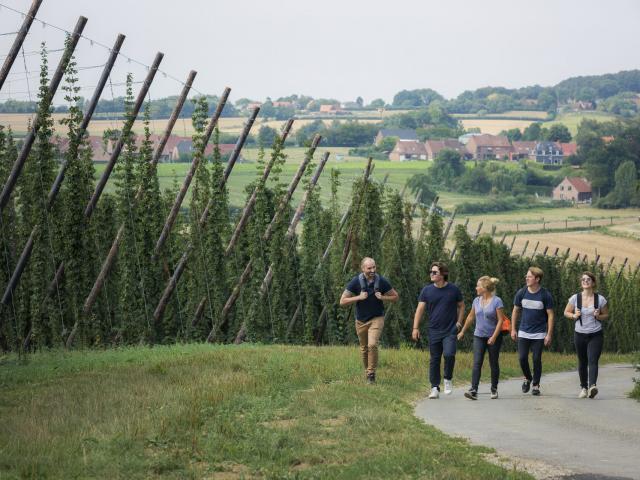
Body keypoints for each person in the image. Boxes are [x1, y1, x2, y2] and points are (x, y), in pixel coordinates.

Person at [340, 257, 398, 384]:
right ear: (363, 268)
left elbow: (395, 297)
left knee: (372, 345)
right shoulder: (356, 282)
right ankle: (368, 373)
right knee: (364, 348)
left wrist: (383, 297)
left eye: (374, 267)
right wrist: (358, 297)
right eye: (369, 268)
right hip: (360, 320)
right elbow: (342, 301)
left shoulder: (381, 281)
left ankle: (371, 374)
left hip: (377, 318)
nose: (372, 270)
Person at [412, 262, 465, 399]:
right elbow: (420, 310)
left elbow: (461, 306)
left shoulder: (454, 290)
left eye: (434, 272)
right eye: (431, 271)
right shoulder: (427, 290)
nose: (431, 274)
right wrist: (415, 328)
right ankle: (434, 387)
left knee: (449, 354)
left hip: (450, 330)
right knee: (434, 359)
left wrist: (459, 323)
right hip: (434, 330)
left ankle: (447, 379)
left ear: (443, 274)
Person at [458, 276, 506, 400]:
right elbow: (470, 317)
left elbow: (501, 320)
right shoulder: (476, 301)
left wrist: (494, 337)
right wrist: (462, 331)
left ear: (484, 288)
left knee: (493, 362)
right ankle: (474, 389)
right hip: (479, 335)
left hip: (493, 336)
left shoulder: (497, 301)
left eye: (478, 286)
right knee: (477, 362)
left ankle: (494, 388)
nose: (476, 288)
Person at [563, 271, 609, 399]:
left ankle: (592, 386)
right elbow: (566, 312)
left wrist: (598, 315)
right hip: (580, 334)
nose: (585, 281)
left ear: (593, 282)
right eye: (583, 279)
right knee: (582, 361)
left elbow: (606, 315)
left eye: (588, 279)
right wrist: (574, 315)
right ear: (581, 283)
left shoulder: (600, 299)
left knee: (593, 360)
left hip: (595, 334)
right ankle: (583, 387)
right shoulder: (575, 298)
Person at [511, 266, 554, 396]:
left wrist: (549, 334)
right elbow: (515, 311)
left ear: (537, 279)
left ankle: (535, 385)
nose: (526, 278)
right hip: (524, 331)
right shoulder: (522, 292)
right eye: (527, 276)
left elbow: (551, 315)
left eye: (529, 276)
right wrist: (513, 329)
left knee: (536, 359)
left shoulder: (545, 295)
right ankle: (527, 377)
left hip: (539, 333)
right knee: (522, 358)